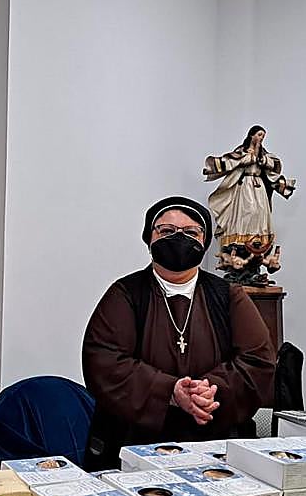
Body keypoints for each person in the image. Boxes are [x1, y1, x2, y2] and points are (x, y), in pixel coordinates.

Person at [81, 196, 276, 470]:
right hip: (134, 444)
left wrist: (208, 391)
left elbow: (258, 359)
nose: (178, 238)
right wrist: (169, 391)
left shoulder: (228, 296)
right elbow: (103, 360)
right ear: (149, 239)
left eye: (191, 232)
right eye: (166, 231)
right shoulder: (125, 294)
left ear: (204, 242)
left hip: (215, 442)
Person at [203, 125, 295, 269]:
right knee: (248, 211)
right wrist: (247, 158)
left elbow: (275, 166)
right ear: (251, 135)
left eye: (263, 136)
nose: (261, 138)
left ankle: (258, 241)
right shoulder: (241, 152)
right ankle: (241, 240)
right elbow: (229, 162)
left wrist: (262, 160)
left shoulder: (264, 155)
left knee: (260, 213)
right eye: (259, 135)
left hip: (259, 187)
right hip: (244, 186)